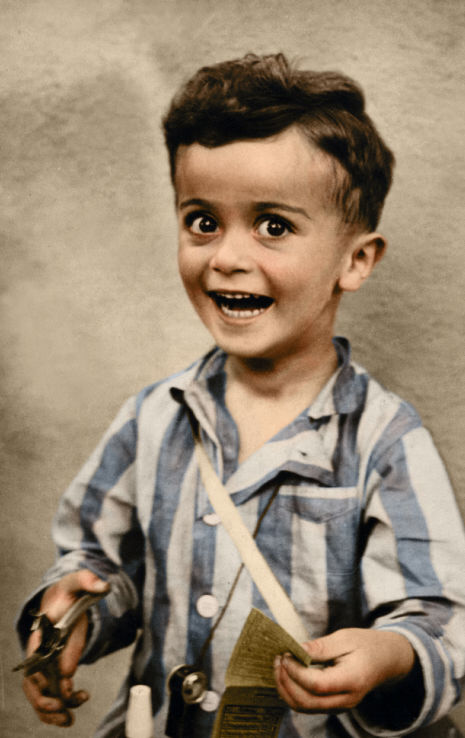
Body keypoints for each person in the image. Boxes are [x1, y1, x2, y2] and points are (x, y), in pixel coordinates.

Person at [17, 52, 465, 737]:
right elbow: (102, 565)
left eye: (273, 225)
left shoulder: (383, 441)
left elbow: (439, 617)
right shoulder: (150, 418)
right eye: (202, 220)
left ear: (355, 260)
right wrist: (71, 617)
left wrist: (389, 653)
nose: (225, 256)